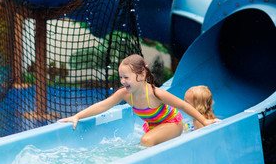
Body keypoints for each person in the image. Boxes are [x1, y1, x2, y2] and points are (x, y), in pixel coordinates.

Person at [58, 54, 218, 147]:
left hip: (172, 124)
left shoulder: (156, 93)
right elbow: (103, 106)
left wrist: (204, 121)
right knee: (146, 140)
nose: (122, 81)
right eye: (121, 77)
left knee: (146, 140)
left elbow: (183, 105)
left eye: (126, 77)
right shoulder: (125, 94)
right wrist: (78, 116)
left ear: (141, 76)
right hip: (155, 126)